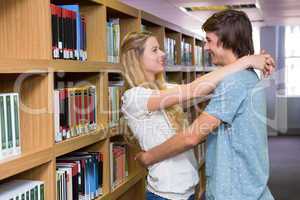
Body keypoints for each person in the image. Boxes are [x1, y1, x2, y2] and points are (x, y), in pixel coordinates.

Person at [121, 28, 274, 200]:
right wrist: (246, 61)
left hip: (187, 192)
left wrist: (246, 64)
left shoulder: (164, 89)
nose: (163, 53)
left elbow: (203, 86)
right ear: (136, 57)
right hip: (165, 194)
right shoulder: (133, 97)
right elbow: (193, 89)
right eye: (155, 50)